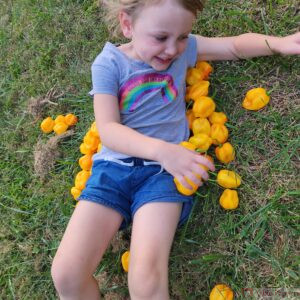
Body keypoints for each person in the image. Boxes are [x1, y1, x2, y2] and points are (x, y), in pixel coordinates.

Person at [51, 0, 300, 299]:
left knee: (145, 281)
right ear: (128, 25)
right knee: (66, 273)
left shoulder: (183, 53)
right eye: (160, 38)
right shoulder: (108, 64)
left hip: (164, 175)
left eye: (182, 37)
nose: (172, 50)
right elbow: (108, 130)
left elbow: (233, 46)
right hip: (112, 170)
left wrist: (279, 43)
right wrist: (163, 151)